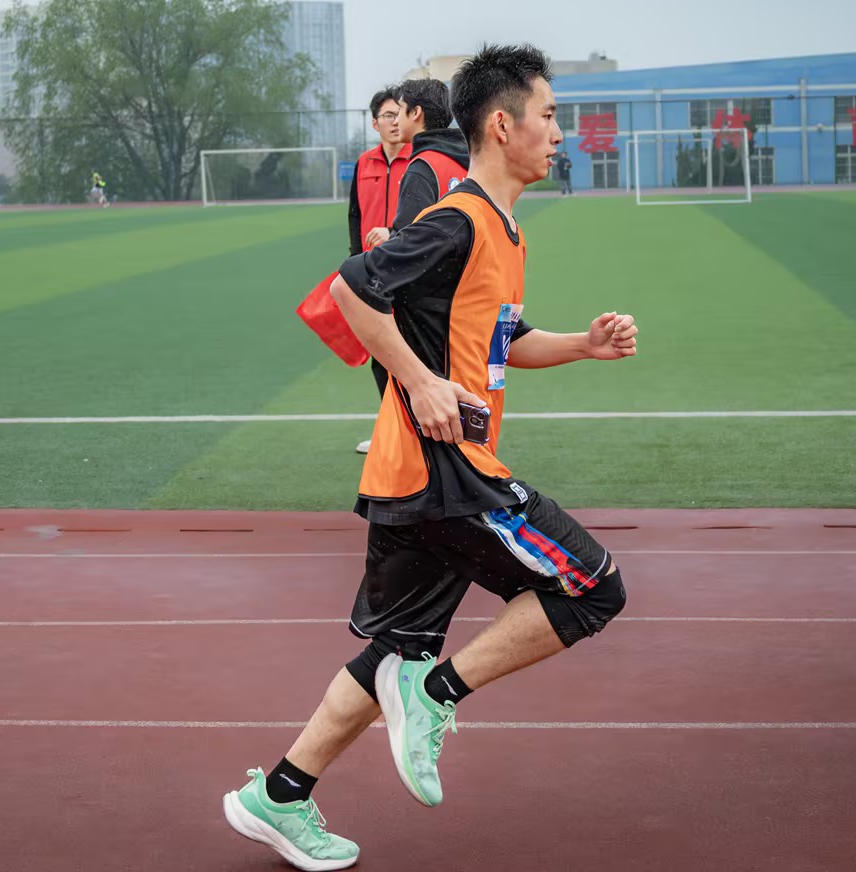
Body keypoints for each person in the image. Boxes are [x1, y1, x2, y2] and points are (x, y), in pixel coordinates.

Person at [222, 45, 634, 871]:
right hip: (443, 469)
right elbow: (351, 288)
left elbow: (498, 339)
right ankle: (437, 694)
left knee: (390, 653)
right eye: (549, 115)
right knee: (591, 587)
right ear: (502, 125)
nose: (559, 132)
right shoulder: (459, 218)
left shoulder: (503, 230)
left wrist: (580, 347)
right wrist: (419, 383)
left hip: (410, 476)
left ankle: (280, 796)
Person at [346, 88, 409, 452]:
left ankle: (416, 432)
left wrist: (395, 233)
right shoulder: (364, 163)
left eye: (399, 114)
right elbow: (354, 215)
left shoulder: (419, 161)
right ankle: (391, 431)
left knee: (411, 350)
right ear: (374, 123)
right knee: (380, 355)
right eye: (387, 115)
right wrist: (355, 264)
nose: (394, 122)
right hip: (373, 273)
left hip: (410, 270)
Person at [388, 77, 468, 235]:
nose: (395, 121)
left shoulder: (422, 168)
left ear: (416, 112)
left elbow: (409, 240)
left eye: (399, 112)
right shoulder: (472, 161)